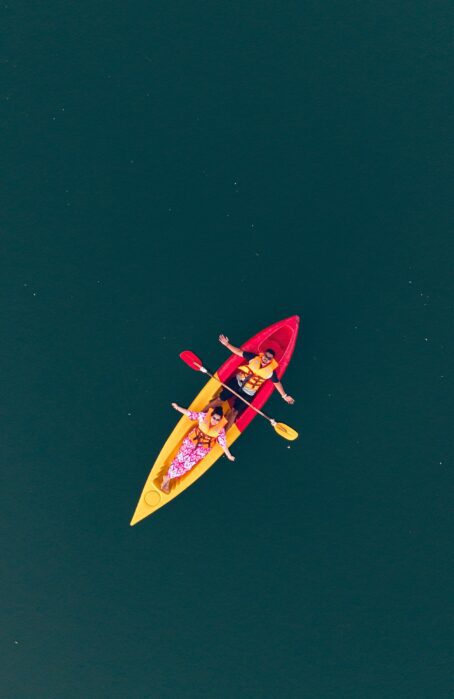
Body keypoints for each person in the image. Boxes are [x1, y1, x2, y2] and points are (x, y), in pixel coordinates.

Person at [206, 334, 295, 429]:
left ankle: (223, 433)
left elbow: (277, 383)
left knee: (234, 412)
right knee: (220, 399)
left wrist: (284, 396)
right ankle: (202, 414)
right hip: (237, 382)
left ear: (271, 361)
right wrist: (227, 344)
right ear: (263, 355)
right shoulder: (253, 357)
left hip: (248, 392)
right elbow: (239, 352)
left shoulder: (270, 372)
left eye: (269, 358)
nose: (266, 359)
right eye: (265, 356)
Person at [160, 403, 235, 493]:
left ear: (220, 421)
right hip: (191, 441)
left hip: (202, 449)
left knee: (186, 465)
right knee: (179, 459)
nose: (215, 421)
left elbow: (223, 443)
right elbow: (190, 414)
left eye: (217, 420)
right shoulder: (203, 417)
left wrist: (229, 455)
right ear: (211, 416)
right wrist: (178, 408)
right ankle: (167, 479)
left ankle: (167, 478)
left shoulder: (220, 430)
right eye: (214, 418)